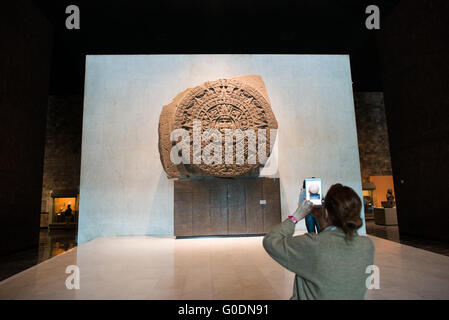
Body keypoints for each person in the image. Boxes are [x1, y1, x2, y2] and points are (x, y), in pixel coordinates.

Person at [263, 184, 375, 300]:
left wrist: (296, 216)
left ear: (326, 213)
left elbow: (271, 240)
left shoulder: (312, 245)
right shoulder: (367, 246)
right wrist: (320, 219)